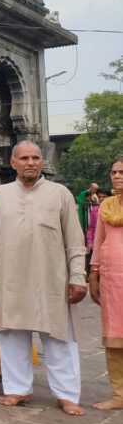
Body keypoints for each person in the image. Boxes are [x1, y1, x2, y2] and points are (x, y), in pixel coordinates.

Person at [0, 141, 87, 416]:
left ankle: (66, 394)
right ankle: (17, 389)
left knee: (60, 337)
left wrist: (78, 277)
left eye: (36, 157)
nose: (31, 162)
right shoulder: (0, 195)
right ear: (13, 163)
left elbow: (75, 241)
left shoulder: (60, 193)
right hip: (10, 277)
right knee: (12, 333)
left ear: (43, 162)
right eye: (24, 158)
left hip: (51, 278)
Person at [90, 157, 123, 410]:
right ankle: (119, 394)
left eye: (122, 172)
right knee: (114, 336)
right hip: (112, 280)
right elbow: (99, 241)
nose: (117, 176)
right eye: (113, 172)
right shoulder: (106, 206)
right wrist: (93, 273)